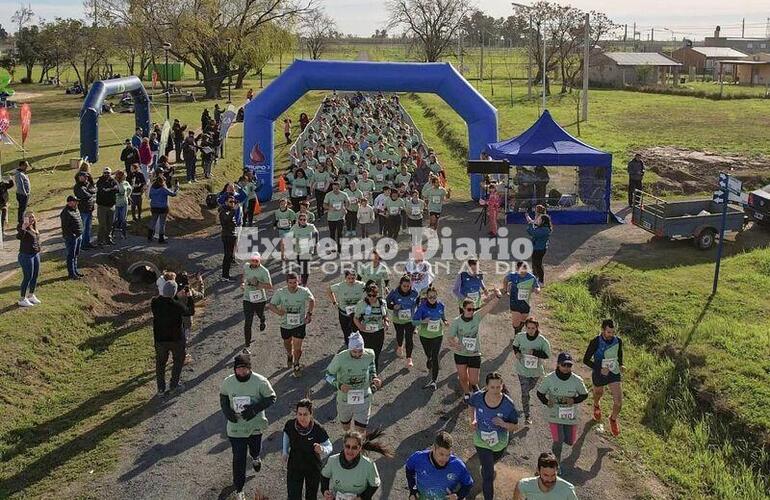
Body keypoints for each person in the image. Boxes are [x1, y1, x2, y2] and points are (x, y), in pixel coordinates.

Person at [219, 350, 276, 500]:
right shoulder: (228, 382)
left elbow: (271, 398)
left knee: (255, 448)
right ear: (234, 369)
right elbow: (223, 396)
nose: (241, 371)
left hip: (255, 425)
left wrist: (254, 409)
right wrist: (227, 412)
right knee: (238, 458)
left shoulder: (260, 381)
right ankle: (239, 489)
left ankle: (256, 457)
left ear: (250, 368)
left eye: (245, 368)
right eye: (238, 368)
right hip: (236, 427)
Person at [468, 372, 520, 500]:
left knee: (493, 461)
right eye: (492, 387)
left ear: (502, 386)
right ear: (486, 386)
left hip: (500, 443)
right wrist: (473, 419)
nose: (495, 390)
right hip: (481, 440)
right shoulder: (478, 397)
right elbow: (471, 405)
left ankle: (489, 467)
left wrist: (503, 423)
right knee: (488, 475)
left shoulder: (508, 404)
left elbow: (515, 426)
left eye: (498, 387)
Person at [448, 289, 502, 400]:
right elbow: (450, 338)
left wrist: (498, 296)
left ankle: (473, 386)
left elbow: (489, 307)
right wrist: (456, 344)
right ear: (463, 309)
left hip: (474, 353)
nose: (471, 311)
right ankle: (467, 393)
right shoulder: (456, 321)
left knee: (474, 380)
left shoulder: (476, 317)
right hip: (461, 353)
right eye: (469, 309)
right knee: (463, 378)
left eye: (473, 309)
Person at [536, 352, 589, 464]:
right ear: (558, 364)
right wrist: (546, 402)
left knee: (569, 441)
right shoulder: (549, 379)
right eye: (563, 365)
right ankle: (555, 464)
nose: (566, 368)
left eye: (569, 365)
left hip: (569, 415)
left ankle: (555, 451)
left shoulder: (577, 380)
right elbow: (540, 393)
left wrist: (574, 400)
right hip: (554, 415)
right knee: (558, 440)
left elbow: (584, 394)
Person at [325, 332, 382, 431]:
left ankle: (357, 444)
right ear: (350, 349)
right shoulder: (340, 358)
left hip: (364, 396)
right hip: (345, 398)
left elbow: (371, 367)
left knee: (360, 430)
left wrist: (374, 378)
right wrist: (339, 385)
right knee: (346, 427)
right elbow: (328, 375)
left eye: (360, 351)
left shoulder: (370, 355)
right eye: (354, 352)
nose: (357, 354)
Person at [267, 272, 316, 377]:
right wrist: (278, 312)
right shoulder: (281, 292)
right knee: (287, 343)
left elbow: (312, 300)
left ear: (298, 281)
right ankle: (289, 355)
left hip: (299, 324)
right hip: (285, 324)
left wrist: (309, 314)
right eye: (290, 283)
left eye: (295, 282)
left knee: (298, 348)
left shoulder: (304, 291)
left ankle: (296, 363)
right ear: (287, 282)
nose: (293, 285)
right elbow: (271, 305)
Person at [283, 399, 333, 500]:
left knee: (311, 496)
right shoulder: (290, 425)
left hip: (312, 467)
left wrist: (322, 449)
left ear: (311, 414)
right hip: (294, 465)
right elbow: (286, 435)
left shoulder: (318, 429)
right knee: (293, 496)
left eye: (305, 414)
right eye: (299, 414)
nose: (302, 418)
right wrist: (285, 451)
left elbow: (329, 446)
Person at [321, 429, 389, 500]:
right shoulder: (333, 460)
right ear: (343, 445)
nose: (350, 451)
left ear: (359, 448)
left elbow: (374, 485)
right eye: (347, 446)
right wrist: (325, 490)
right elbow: (324, 476)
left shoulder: (368, 465)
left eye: (354, 447)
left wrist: (361, 497)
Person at [583, 319, 624, 437]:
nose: (611, 335)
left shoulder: (618, 341)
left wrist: (620, 364)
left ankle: (613, 419)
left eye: (613, 332)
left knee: (618, 403)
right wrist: (599, 368)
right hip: (599, 372)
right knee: (599, 392)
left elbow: (619, 353)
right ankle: (596, 405)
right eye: (608, 332)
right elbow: (586, 360)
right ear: (603, 330)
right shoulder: (595, 342)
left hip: (613, 372)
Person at [405, 431, 474, 500]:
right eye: (441, 454)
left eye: (448, 455)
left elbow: (468, 484)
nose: (445, 459)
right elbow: (409, 469)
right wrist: (413, 490)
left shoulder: (458, 465)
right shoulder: (418, 458)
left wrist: (458, 495)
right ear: (433, 448)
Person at [151, 280, 189, 395]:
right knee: (178, 360)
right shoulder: (177, 305)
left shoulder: (154, 302)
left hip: (160, 339)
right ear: (174, 292)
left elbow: (164, 301)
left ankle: (160, 389)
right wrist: (188, 298)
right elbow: (188, 311)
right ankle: (174, 384)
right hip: (176, 339)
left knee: (160, 363)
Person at [513, 317, 552, 425]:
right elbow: (515, 346)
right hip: (522, 369)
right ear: (525, 327)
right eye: (528, 328)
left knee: (529, 388)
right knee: (525, 392)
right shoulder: (520, 337)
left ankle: (525, 395)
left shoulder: (542, 341)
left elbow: (547, 355)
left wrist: (535, 352)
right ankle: (527, 415)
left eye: (533, 328)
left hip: (536, 372)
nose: (530, 330)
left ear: (537, 328)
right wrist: (517, 353)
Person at [413, 286, 448, 389]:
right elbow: (414, 321)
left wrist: (445, 321)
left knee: (435, 356)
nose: (432, 299)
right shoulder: (422, 307)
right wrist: (423, 321)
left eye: (434, 297)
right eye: (430, 297)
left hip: (437, 334)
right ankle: (429, 358)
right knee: (430, 355)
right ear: (427, 297)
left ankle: (434, 380)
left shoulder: (441, 305)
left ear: (437, 296)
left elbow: (442, 316)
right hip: (425, 335)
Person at [353, 281, 389, 371]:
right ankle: (363, 373)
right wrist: (360, 327)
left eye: (374, 295)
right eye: (369, 295)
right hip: (365, 333)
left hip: (378, 332)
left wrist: (386, 321)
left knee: (375, 355)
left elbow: (385, 315)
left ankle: (373, 376)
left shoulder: (382, 303)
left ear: (377, 294)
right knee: (365, 355)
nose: (371, 298)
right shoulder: (362, 304)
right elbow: (355, 318)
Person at [386, 275, 420, 366]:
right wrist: (393, 306)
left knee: (409, 337)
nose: (406, 288)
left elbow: (418, 302)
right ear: (400, 284)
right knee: (400, 335)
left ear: (411, 285)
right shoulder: (394, 292)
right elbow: (387, 303)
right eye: (404, 286)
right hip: (398, 319)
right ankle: (400, 346)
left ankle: (409, 358)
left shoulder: (415, 292)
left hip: (410, 320)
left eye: (408, 286)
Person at [242, 253, 273, 345]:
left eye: (256, 261)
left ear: (260, 261)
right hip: (247, 298)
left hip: (259, 299)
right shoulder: (246, 266)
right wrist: (243, 284)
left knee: (260, 314)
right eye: (253, 260)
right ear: (250, 260)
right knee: (248, 321)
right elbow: (244, 276)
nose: (254, 263)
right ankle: (247, 342)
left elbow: (270, 286)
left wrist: (257, 284)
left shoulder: (264, 271)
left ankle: (262, 320)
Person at [329, 270, 366, 346]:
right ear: (345, 278)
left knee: (358, 331)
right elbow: (329, 290)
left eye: (353, 278)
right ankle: (349, 346)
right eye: (349, 278)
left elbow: (370, 291)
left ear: (356, 277)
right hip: (344, 314)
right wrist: (334, 302)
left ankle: (358, 346)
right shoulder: (340, 286)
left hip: (357, 314)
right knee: (346, 332)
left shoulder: (361, 285)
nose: (351, 280)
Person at [503, 261, 541, 333]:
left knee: (523, 319)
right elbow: (505, 279)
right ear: (517, 269)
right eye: (521, 269)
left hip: (525, 303)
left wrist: (537, 290)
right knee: (515, 323)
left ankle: (519, 328)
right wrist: (505, 289)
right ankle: (517, 334)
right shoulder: (513, 275)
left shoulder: (531, 277)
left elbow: (537, 287)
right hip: (515, 301)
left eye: (525, 269)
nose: (523, 272)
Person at [17, 212, 41, 307]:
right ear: (25, 218)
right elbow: (19, 237)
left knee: (35, 276)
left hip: (35, 255)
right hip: (26, 255)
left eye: (33, 217)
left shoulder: (34, 227)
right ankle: (22, 299)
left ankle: (31, 295)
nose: (32, 219)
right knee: (28, 277)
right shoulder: (22, 227)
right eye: (29, 217)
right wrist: (23, 227)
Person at [147, 176, 178, 243]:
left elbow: (150, 196)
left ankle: (149, 237)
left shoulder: (152, 188)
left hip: (154, 207)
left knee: (153, 221)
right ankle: (161, 239)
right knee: (162, 223)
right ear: (162, 182)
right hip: (163, 208)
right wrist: (176, 188)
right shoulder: (163, 189)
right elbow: (173, 194)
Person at [291, 212, 319, 286]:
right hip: (298, 250)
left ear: (307, 220)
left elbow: (316, 233)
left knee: (305, 268)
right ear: (298, 220)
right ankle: (302, 278)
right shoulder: (295, 227)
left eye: (304, 219)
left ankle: (304, 283)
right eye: (301, 219)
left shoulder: (311, 226)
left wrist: (316, 242)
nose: (303, 221)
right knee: (301, 266)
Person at [60, 196, 84, 280]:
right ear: (69, 202)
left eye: (77, 201)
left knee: (76, 254)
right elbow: (65, 227)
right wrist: (72, 234)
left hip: (78, 235)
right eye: (75, 201)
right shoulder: (66, 212)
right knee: (71, 255)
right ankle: (71, 274)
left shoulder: (76, 209)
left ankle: (75, 271)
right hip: (71, 237)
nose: (77, 202)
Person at [219, 195, 242, 281]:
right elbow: (226, 220)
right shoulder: (223, 211)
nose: (233, 203)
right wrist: (234, 210)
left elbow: (235, 222)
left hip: (232, 235)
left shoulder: (230, 210)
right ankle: (225, 276)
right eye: (230, 202)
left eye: (234, 202)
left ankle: (226, 275)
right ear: (225, 202)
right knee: (227, 256)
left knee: (229, 256)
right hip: (227, 236)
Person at [94, 167, 118, 246]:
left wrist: (109, 189)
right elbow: (103, 191)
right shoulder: (100, 181)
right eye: (105, 173)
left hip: (111, 206)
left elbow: (117, 189)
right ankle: (100, 241)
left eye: (108, 173)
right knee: (102, 225)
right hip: (102, 207)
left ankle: (108, 239)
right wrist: (111, 189)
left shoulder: (113, 181)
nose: (106, 174)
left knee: (110, 224)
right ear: (103, 173)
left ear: (110, 174)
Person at [324, 181, 349, 254]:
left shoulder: (344, 194)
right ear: (332, 187)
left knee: (340, 233)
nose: (335, 190)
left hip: (340, 217)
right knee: (332, 233)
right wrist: (329, 208)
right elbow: (324, 205)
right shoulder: (328, 195)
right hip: (331, 217)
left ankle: (340, 249)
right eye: (334, 188)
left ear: (339, 187)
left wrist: (345, 208)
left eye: (337, 188)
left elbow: (348, 202)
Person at [526, 213, 551, 286]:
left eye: (539, 219)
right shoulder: (543, 227)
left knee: (538, 265)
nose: (538, 220)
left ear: (543, 221)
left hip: (539, 249)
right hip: (538, 248)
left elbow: (532, 232)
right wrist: (532, 222)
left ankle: (541, 281)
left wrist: (530, 224)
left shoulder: (545, 229)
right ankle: (536, 278)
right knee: (535, 264)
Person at [74, 172, 97, 249]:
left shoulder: (88, 184)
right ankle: (81, 245)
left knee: (88, 228)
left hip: (89, 209)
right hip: (82, 210)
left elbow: (94, 190)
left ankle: (87, 243)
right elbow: (85, 195)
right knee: (82, 229)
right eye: (83, 177)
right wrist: (90, 194)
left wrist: (90, 193)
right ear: (79, 177)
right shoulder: (77, 186)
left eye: (86, 177)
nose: (85, 178)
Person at [113, 170, 132, 240]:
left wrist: (127, 196)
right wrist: (117, 183)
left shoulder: (126, 183)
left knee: (123, 219)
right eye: (124, 176)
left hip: (124, 203)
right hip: (116, 203)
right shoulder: (114, 183)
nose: (125, 176)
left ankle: (123, 234)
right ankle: (112, 234)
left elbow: (130, 189)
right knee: (114, 219)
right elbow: (119, 190)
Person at [14, 161, 31, 227]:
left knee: (23, 208)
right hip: (22, 194)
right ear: (21, 165)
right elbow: (20, 185)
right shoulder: (19, 174)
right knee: (22, 209)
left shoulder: (22, 173)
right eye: (25, 165)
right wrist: (25, 193)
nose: (27, 167)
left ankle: (22, 221)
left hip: (24, 194)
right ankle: (21, 223)